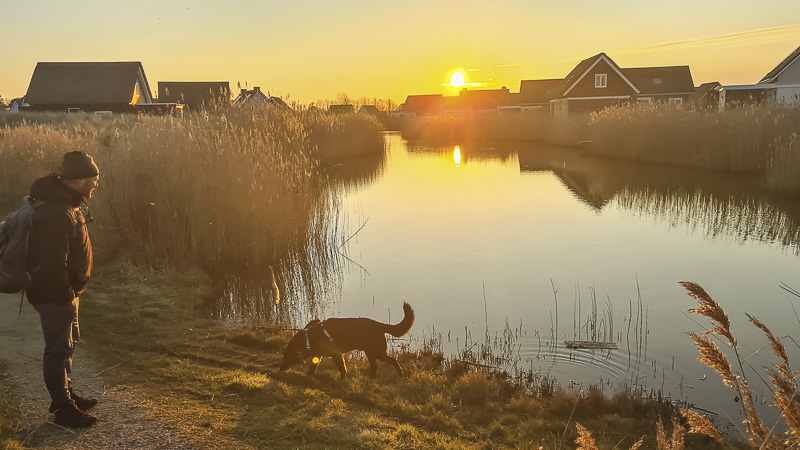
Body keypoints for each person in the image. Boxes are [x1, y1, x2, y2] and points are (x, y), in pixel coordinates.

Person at [26, 151, 100, 428]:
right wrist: (64, 296)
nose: (96, 184)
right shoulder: (56, 212)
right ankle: (62, 409)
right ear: (79, 179)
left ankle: (66, 395)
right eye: (94, 179)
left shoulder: (66, 202)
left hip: (65, 292)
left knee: (67, 345)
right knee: (58, 349)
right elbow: (51, 262)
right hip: (55, 294)